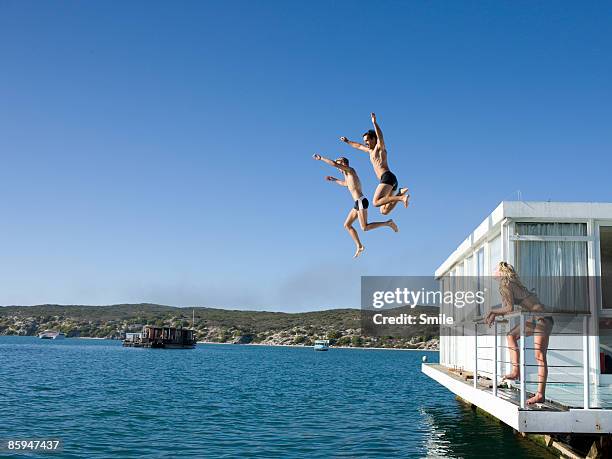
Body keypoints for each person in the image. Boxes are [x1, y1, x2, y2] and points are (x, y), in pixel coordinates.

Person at [485, 261, 554, 405]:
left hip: (543, 319)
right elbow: (506, 307)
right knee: (511, 335)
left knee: (539, 356)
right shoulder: (506, 285)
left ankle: (540, 394)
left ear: (501, 271)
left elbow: (509, 308)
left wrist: (492, 311)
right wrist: (494, 313)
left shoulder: (506, 284)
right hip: (534, 320)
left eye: (495, 268)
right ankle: (516, 371)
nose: (493, 270)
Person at [313, 153, 398, 258]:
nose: (338, 167)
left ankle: (388, 223)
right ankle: (359, 246)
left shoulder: (350, 171)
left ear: (343, 164)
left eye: (339, 164)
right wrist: (334, 180)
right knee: (347, 225)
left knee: (364, 227)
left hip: (361, 201)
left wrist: (321, 158)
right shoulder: (347, 176)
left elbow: (334, 164)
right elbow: (345, 184)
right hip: (357, 203)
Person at [340, 112, 409, 215]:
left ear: (373, 139)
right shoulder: (370, 151)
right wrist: (348, 141)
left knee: (375, 202)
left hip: (387, 177)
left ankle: (401, 197)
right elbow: (358, 146)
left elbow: (380, 137)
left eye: (367, 140)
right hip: (388, 180)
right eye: (364, 141)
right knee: (383, 211)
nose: (365, 143)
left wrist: (374, 123)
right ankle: (400, 193)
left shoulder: (379, 148)